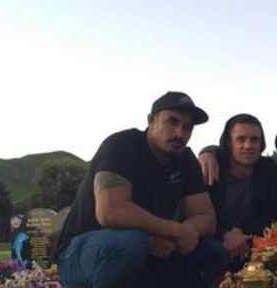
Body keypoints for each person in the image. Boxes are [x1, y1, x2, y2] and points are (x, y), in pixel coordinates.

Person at [54, 91, 227, 288]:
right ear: (151, 121)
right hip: (82, 250)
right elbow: (111, 212)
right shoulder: (122, 145)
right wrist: (175, 231)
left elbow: (206, 218)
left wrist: (175, 237)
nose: (180, 133)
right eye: (172, 122)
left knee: (213, 251)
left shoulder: (185, 159)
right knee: (130, 243)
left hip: (152, 246)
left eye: (187, 127)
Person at [205, 114, 277, 271]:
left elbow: (272, 215)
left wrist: (242, 235)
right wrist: (225, 235)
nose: (248, 145)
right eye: (241, 139)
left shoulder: (269, 171)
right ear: (229, 143)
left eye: (254, 140)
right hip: (213, 242)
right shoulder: (211, 170)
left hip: (254, 243)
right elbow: (197, 216)